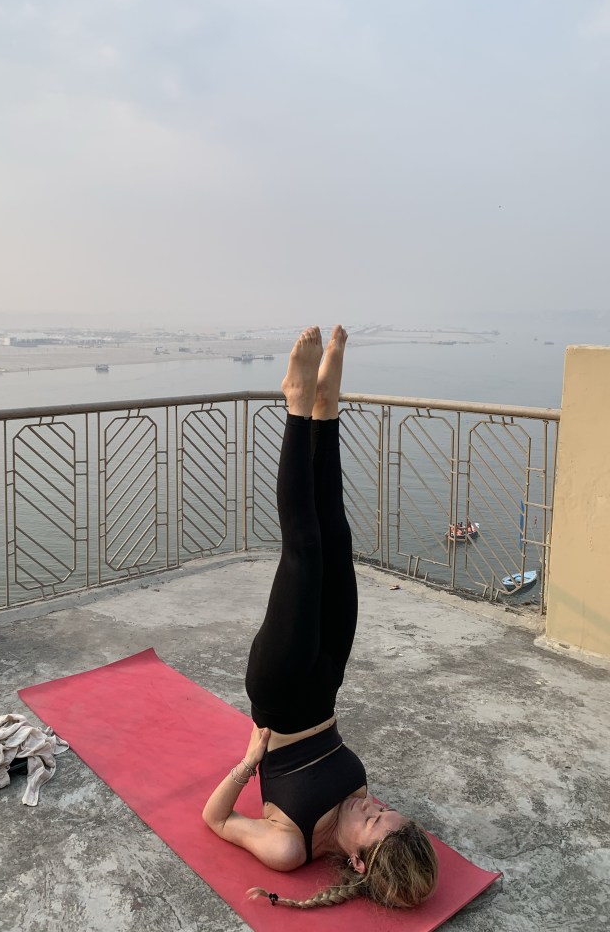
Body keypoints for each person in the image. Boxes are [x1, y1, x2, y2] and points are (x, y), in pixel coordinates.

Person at [202, 325, 438, 910]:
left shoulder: (289, 847)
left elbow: (216, 820)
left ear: (356, 860)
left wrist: (247, 765)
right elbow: (365, 805)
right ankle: (326, 412)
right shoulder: (361, 806)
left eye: (374, 821)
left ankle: (296, 404)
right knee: (336, 541)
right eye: (386, 810)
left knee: (304, 555)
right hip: (327, 678)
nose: (373, 806)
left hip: (279, 694)